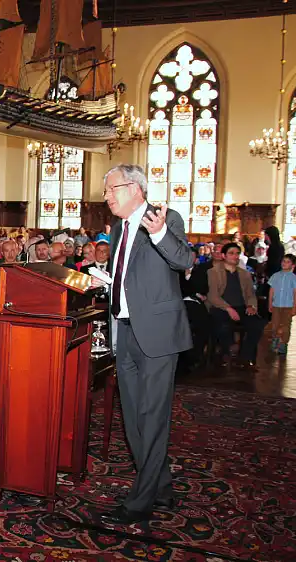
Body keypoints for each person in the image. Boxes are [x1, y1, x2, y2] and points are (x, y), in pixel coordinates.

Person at [93, 164, 194, 525]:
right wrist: (110, 283)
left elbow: (184, 260)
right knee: (134, 416)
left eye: (110, 189)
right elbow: (130, 271)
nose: (106, 197)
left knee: (153, 417)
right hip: (125, 329)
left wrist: (161, 232)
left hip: (158, 333)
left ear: (135, 188)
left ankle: (141, 500)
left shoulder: (166, 217)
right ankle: (162, 487)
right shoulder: (119, 226)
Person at [206, 243, 266, 369]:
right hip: (221, 307)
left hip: (241, 306)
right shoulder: (213, 272)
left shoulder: (245, 274)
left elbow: (250, 294)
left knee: (257, 324)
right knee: (222, 324)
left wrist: (251, 306)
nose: (235, 256)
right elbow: (213, 296)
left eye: (237, 253)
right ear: (224, 255)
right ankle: (224, 352)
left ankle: (244, 356)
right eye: (231, 253)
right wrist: (228, 309)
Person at [267, 253, 296, 355]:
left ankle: (283, 343)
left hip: (288, 305)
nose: (284, 264)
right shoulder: (275, 276)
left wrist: (294, 307)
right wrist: (270, 303)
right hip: (276, 305)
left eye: (288, 262)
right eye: (283, 261)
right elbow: (271, 291)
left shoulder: (294, 278)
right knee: (275, 324)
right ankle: (275, 340)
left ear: (293, 265)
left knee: (286, 325)